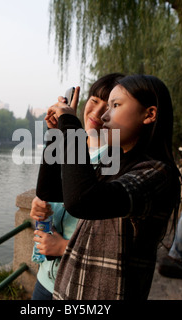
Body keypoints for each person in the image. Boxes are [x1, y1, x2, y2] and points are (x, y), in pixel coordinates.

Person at [37, 74, 182, 300]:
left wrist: (71, 125)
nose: (103, 116)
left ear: (149, 114)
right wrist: (56, 133)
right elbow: (51, 191)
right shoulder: (114, 163)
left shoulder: (157, 174)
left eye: (115, 105)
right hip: (70, 291)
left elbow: (82, 201)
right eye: (97, 103)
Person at [30, 73, 125, 300]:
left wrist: (64, 247)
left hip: (78, 285)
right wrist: (39, 208)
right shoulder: (71, 147)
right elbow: (50, 197)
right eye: (94, 100)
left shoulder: (118, 162)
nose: (98, 111)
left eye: (111, 105)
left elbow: (119, 238)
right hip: (45, 279)